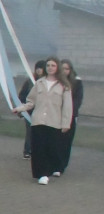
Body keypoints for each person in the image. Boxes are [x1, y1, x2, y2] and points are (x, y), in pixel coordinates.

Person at [11, 56, 72, 185]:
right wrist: (20, 108)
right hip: (38, 121)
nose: (50, 68)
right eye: (48, 65)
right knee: (38, 148)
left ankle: (49, 170)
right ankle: (41, 174)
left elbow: (67, 106)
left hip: (54, 122)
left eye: (53, 65)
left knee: (50, 148)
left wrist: (66, 123)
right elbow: (31, 101)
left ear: (57, 68)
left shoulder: (64, 85)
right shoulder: (39, 83)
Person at [18, 60, 47, 159]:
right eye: (37, 68)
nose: (39, 70)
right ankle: (27, 150)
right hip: (29, 111)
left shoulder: (48, 82)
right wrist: (23, 106)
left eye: (41, 68)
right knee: (30, 131)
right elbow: (22, 94)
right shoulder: (30, 81)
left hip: (43, 111)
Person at [59, 59, 83, 172]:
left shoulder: (77, 82)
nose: (64, 71)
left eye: (66, 69)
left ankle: (62, 165)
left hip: (70, 116)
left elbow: (78, 100)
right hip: (56, 115)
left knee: (66, 142)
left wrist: (70, 112)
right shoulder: (56, 82)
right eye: (62, 68)